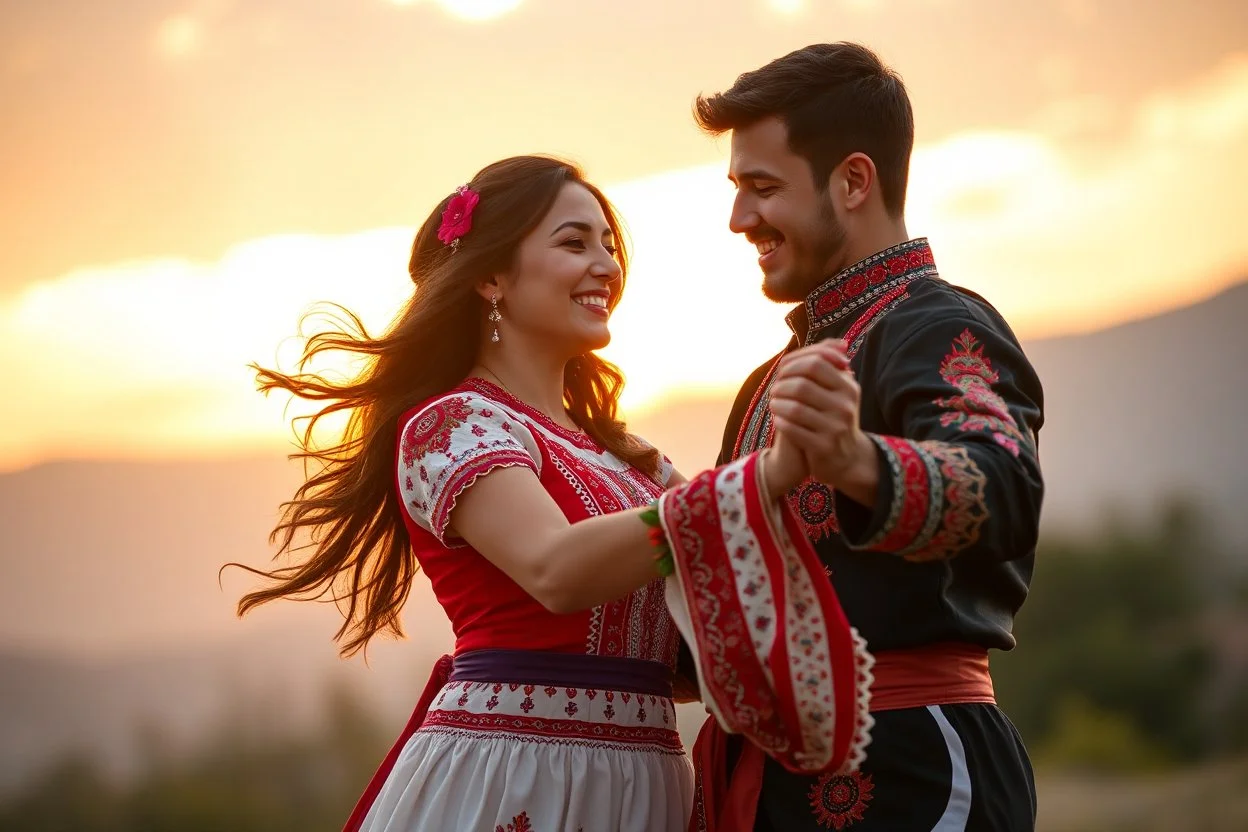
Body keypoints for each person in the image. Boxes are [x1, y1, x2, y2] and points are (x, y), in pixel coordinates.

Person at [230, 155, 873, 832]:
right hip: (518, 772)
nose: (607, 265)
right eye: (574, 243)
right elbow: (555, 569)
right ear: (490, 276)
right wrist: (765, 475)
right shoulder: (452, 424)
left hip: (644, 779)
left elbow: (721, 576)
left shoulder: (627, 457)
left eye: (609, 245)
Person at [685, 43, 1046, 831]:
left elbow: (1002, 483)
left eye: (762, 187)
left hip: (914, 772)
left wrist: (856, 461)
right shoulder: (761, 386)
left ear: (852, 181)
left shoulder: (940, 322)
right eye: (737, 189)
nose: (740, 218)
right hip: (771, 789)